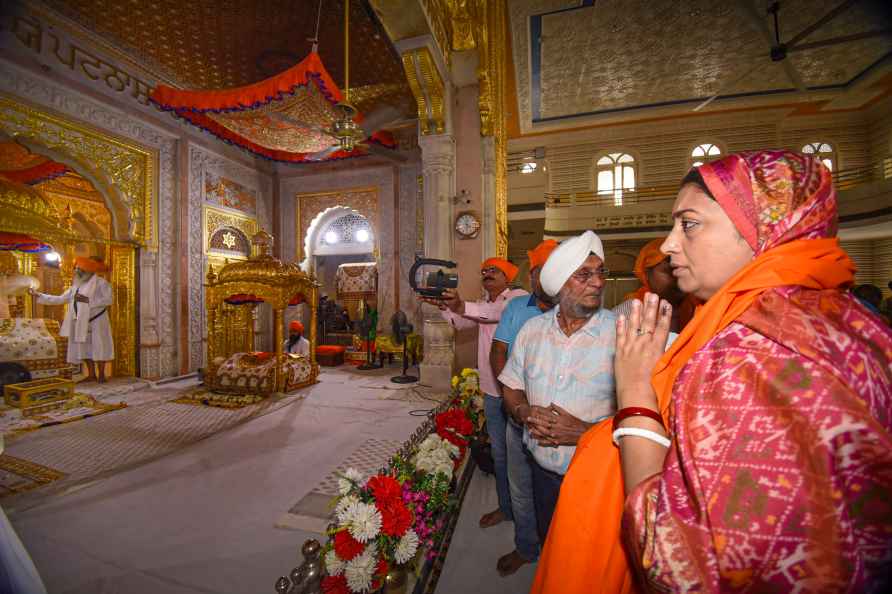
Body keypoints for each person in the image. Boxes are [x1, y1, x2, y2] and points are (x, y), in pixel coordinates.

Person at [615, 151, 892, 591]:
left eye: (689, 223)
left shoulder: (749, 354)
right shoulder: (850, 318)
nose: (668, 245)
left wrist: (635, 396)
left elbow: (678, 566)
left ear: (759, 230)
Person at [498, 231, 617, 548]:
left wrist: (585, 434)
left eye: (601, 272)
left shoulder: (622, 335)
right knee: (552, 544)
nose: (598, 282)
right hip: (543, 476)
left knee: (589, 561)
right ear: (561, 283)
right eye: (584, 274)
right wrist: (523, 412)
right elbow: (511, 385)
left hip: (599, 477)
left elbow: (648, 419)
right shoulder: (532, 331)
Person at [421, 257, 526, 529]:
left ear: (508, 276)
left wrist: (460, 304)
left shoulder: (518, 297)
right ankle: (506, 507)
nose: (487, 274)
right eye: (484, 271)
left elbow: (493, 314)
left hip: (518, 394)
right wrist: (446, 307)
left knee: (522, 459)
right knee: (500, 456)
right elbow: (463, 323)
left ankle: (528, 516)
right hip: (492, 392)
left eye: (493, 270)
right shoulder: (485, 303)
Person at [489, 239, 558, 576]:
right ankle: (527, 547)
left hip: (558, 421)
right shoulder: (517, 309)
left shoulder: (573, 311)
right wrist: (510, 395)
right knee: (520, 487)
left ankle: (558, 551)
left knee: (557, 491)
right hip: (518, 414)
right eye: (536, 274)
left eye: (547, 273)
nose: (539, 280)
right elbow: (497, 351)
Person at [30, 256, 113, 383]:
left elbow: (108, 300)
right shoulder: (76, 286)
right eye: (77, 269)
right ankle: (91, 375)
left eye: (79, 269)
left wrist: (88, 301)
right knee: (84, 347)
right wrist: (39, 295)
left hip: (97, 321)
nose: (76, 271)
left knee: (99, 346)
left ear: (88, 271)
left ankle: (101, 375)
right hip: (80, 321)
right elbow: (60, 299)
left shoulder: (101, 283)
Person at [613, 237, 694, 334]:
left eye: (683, 269)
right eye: (669, 270)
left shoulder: (699, 309)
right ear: (647, 274)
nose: (677, 275)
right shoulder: (627, 313)